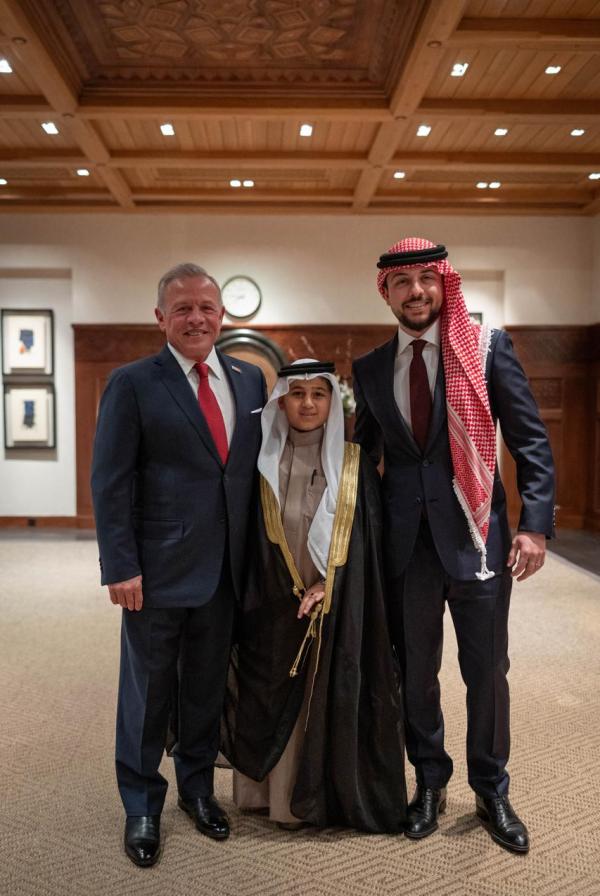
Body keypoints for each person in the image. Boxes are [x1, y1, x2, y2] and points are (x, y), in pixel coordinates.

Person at [352, 238, 555, 854]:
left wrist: (534, 525)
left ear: (444, 284)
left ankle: (491, 788)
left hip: (478, 539)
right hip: (404, 548)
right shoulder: (369, 368)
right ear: (385, 292)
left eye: (426, 279)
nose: (416, 292)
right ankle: (430, 782)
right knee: (415, 673)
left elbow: (530, 441)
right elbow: (362, 458)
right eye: (402, 282)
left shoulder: (487, 348)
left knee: (486, 672)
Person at [91, 262, 266, 867]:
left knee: (206, 687)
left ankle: (197, 788)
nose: (196, 318)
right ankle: (141, 803)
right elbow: (110, 481)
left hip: (226, 570)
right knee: (148, 692)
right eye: (183, 308)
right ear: (160, 317)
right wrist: (120, 565)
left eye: (206, 308)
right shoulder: (133, 383)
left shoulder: (249, 381)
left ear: (222, 316)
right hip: (156, 572)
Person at [221, 359, 406, 833]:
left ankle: (318, 796)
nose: (307, 404)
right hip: (271, 597)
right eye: (297, 394)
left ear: (332, 402)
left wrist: (331, 586)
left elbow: (367, 545)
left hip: (335, 599)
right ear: (281, 401)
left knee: (324, 690)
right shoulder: (259, 462)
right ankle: (269, 796)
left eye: (318, 394)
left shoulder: (354, 465)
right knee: (270, 686)